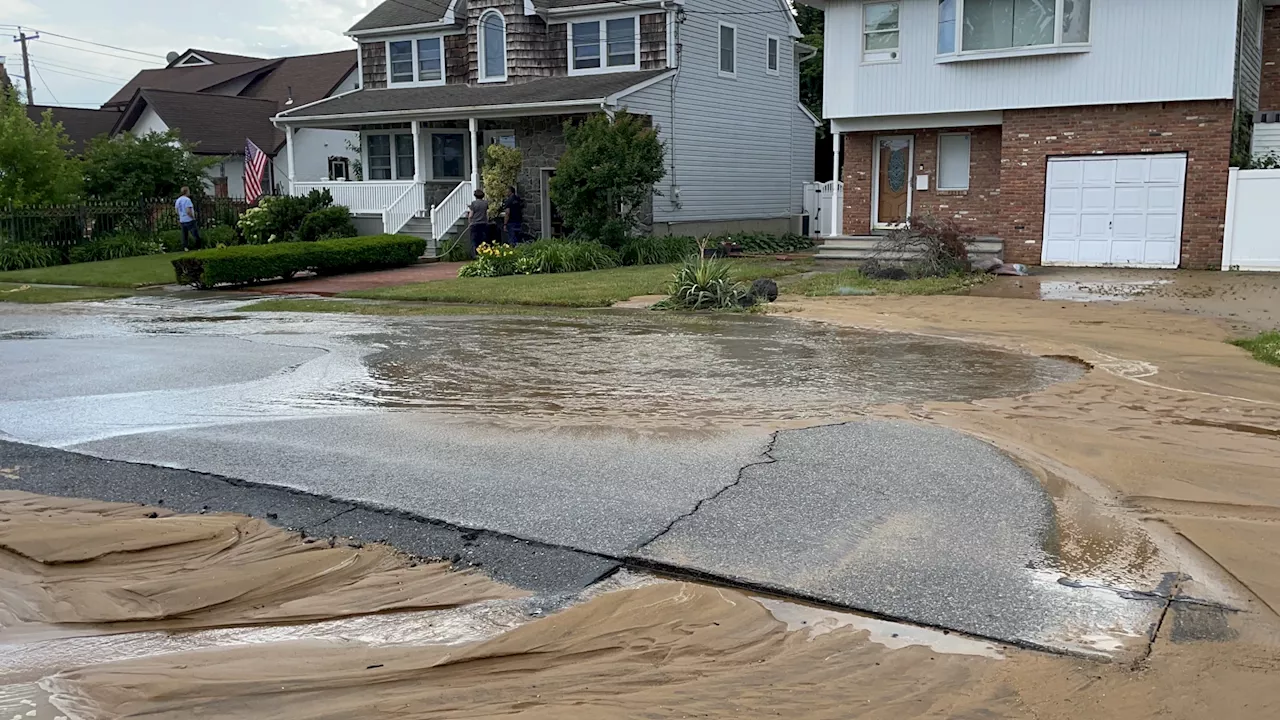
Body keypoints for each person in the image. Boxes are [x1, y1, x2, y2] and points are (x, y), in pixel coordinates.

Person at [467, 189, 489, 253]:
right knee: (483, 240)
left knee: (474, 240)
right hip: (484, 223)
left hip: (475, 224)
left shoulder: (473, 203)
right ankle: (483, 253)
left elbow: (471, 215)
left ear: (475, 196)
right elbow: (486, 213)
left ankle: (475, 254)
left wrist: (469, 222)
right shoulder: (485, 203)